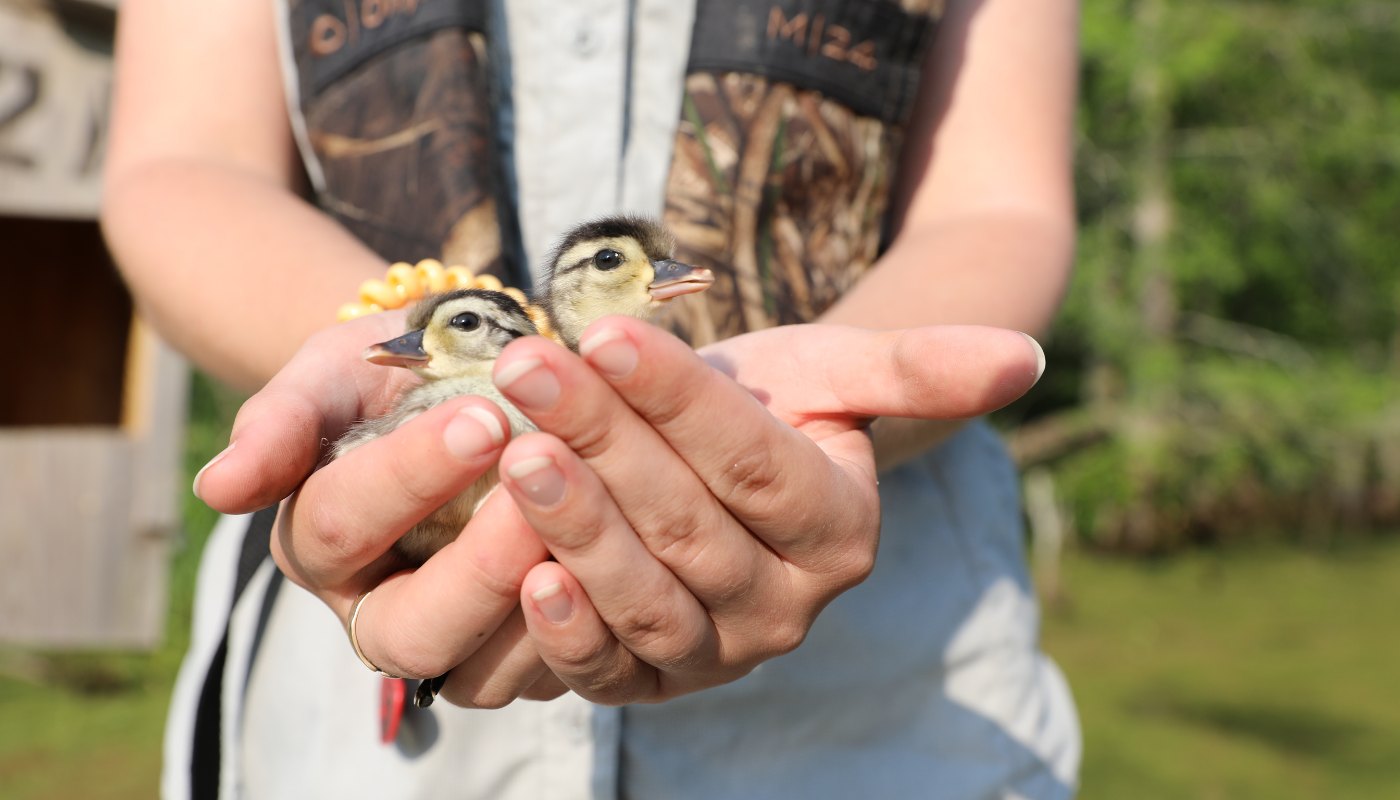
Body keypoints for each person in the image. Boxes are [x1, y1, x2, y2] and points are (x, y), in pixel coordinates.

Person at [102, 0, 1081, 797]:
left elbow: (994, 204)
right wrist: (419, 347)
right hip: (354, 730)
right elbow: (182, 161)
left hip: (872, 714)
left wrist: (831, 402)